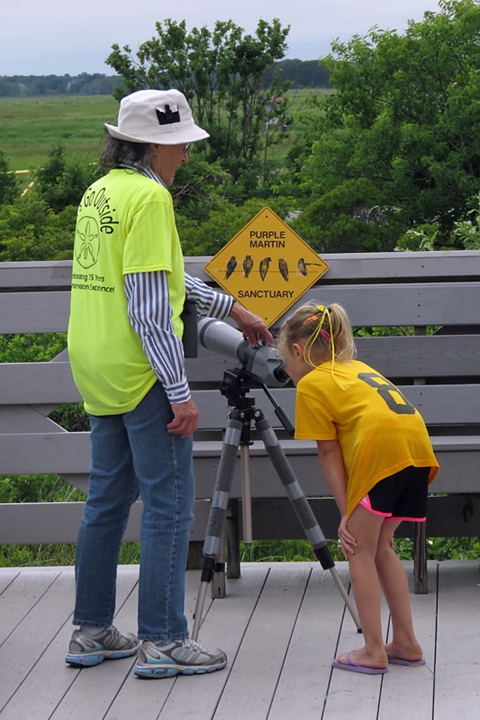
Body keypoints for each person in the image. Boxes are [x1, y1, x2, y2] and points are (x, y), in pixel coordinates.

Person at [66, 89, 273, 679]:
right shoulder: (152, 200)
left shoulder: (101, 191)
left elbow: (163, 276)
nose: (186, 153)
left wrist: (232, 308)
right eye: (181, 142)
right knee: (169, 503)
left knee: (105, 501)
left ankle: (92, 631)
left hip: (96, 362)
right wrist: (180, 393)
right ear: (156, 143)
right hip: (142, 371)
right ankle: (162, 639)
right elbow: (153, 308)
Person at [277, 302, 439, 675]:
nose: (287, 370)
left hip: (381, 454)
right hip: (415, 450)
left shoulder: (313, 383)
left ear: (299, 351)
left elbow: (328, 452)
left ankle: (372, 649)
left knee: (358, 549)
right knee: (381, 547)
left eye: (286, 360)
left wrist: (347, 511)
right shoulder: (357, 369)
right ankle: (405, 641)